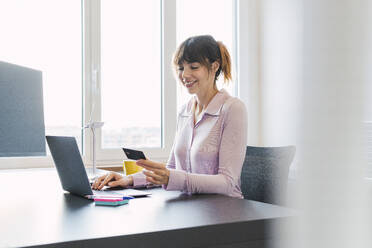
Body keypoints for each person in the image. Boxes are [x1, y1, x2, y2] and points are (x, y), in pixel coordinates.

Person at [92, 35, 247, 198]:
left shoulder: (232, 109)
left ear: (215, 66)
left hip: (226, 213)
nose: (185, 75)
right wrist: (128, 179)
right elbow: (172, 168)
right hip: (191, 208)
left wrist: (172, 178)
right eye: (181, 68)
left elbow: (228, 182)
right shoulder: (185, 111)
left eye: (194, 67)